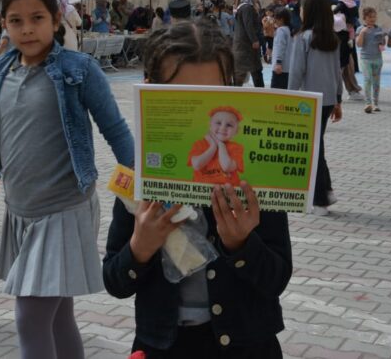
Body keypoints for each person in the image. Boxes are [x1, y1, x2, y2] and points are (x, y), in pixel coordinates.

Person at [0, 0, 134, 358]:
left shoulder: (79, 70)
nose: (27, 29)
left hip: (64, 211)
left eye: (37, 18)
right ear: (3, 24)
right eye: (16, 20)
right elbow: (2, 127)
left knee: (30, 317)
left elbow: (117, 132)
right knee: (58, 318)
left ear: (56, 19)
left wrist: (145, 187)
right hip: (21, 211)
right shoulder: (1, 69)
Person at [104, 19, 291, 357]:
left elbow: (276, 278)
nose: (201, 111)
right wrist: (139, 248)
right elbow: (115, 281)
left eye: (212, 96)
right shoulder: (141, 174)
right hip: (164, 346)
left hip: (248, 345)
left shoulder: (256, 176)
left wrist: (242, 245)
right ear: (150, 91)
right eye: (182, 98)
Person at [289, 0, 343, 216]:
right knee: (317, 145)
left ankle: (320, 199)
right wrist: (338, 100)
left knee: (313, 148)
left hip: (308, 100)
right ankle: (326, 191)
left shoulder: (303, 38)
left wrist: (289, 99)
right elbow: (337, 73)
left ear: (309, 12)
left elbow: (296, 72)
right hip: (328, 99)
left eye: (302, 8)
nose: (300, 12)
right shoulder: (332, 37)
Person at [188, 106, 244, 185]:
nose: (223, 128)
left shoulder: (236, 148)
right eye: (218, 123)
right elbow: (196, 165)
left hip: (228, 191)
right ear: (210, 126)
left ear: (236, 131)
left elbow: (227, 167)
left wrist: (221, 145)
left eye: (229, 125)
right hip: (201, 191)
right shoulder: (199, 144)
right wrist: (213, 147)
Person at [355, 7, 385, 113]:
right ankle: (368, 103)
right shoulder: (360, 29)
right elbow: (358, 45)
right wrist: (363, 33)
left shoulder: (379, 29)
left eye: (374, 16)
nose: (372, 19)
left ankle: (375, 103)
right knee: (367, 80)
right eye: (369, 17)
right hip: (365, 59)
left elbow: (382, 43)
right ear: (364, 18)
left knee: (376, 82)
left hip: (377, 59)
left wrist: (382, 43)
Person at [231, 0, 264, 87]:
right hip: (247, 45)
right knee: (251, 70)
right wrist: (254, 40)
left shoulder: (243, 7)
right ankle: (260, 92)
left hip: (243, 45)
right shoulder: (247, 8)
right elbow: (248, 24)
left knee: (251, 70)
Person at [270, 6, 293, 89]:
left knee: (276, 91)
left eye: (276, 18)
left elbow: (280, 47)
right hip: (288, 67)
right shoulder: (289, 30)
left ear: (281, 19)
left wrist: (278, 62)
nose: (274, 20)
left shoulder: (281, 30)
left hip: (280, 67)